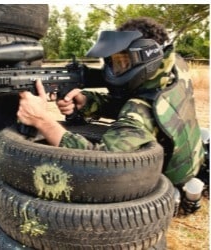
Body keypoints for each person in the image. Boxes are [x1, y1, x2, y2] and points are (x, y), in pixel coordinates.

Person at [17, 17, 205, 215]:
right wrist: (87, 101)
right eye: (114, 62)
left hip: (170, 178)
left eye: (123, 63)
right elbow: (133, 100)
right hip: (191, 158)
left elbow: (99, 162)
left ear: (146, 58)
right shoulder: (172, 68)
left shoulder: (141, 110)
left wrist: (42, 121)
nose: (114, 71)